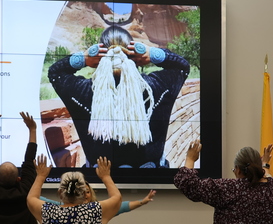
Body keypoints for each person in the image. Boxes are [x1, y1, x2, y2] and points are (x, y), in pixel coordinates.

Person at [47, 24, 189, 168]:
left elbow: (55, 73)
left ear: (100, 57)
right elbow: (182, 67)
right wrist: (152, 53)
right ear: (135, 55)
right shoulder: (157, 87)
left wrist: (84, 58)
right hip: (152, 180)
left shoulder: (82, 91)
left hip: (98, 181)